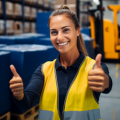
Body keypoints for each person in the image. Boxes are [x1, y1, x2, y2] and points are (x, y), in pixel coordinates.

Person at [9, 5, 112, 120]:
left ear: (77, 31)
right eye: (54, 32)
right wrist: (19, 95)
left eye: (66, 30)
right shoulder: (44, 70)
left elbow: (106, 85)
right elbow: (26, 102)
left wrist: (105, 82)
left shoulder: (94, 68)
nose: (59, 37)